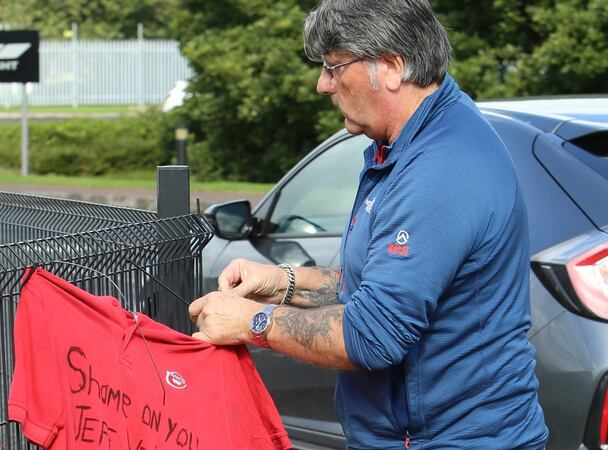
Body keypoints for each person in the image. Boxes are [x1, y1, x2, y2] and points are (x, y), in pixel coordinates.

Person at [187, 0, 549, 448]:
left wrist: (252, 321)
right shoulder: (401, 144)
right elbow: (379, 285)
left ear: (392, 67)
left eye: (334, 68)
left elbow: (372, 335)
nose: (323, 85)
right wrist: (282, 281)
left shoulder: (440, 168)